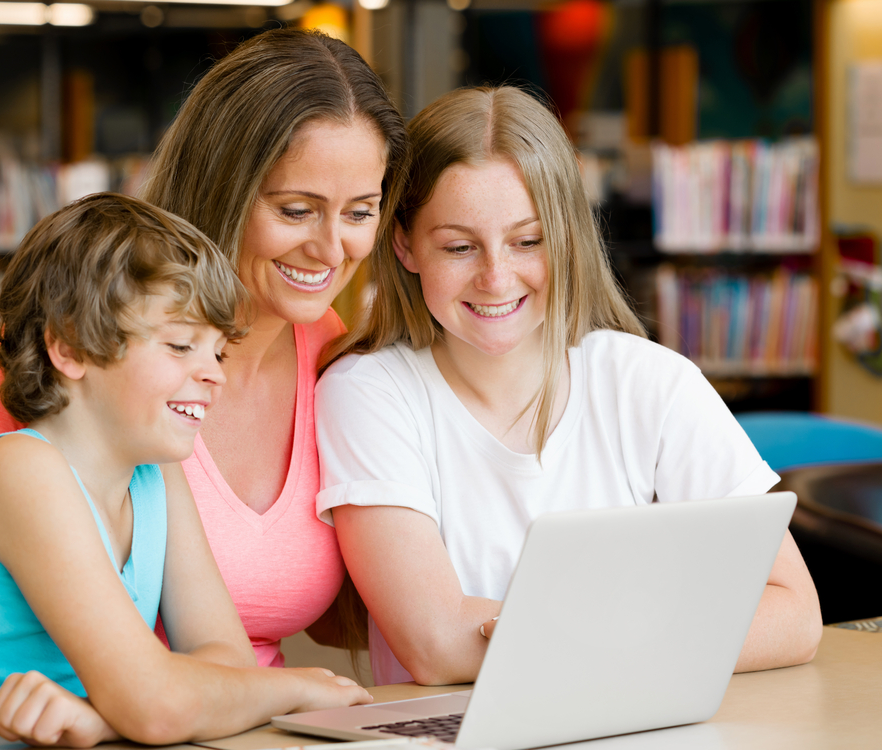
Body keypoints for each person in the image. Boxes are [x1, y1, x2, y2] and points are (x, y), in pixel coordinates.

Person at [0, 29, 407, 663]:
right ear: (225, 187)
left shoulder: (339, 364)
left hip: (242, 724)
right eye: (297, 210)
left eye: (360, 212)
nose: (332, 249)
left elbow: (338, 617)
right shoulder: (83, 340)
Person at [315, 86, 823, 687]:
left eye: (528, 241)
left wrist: (567, 639)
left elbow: (794, 613)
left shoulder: (650, 381)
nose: (497, 277)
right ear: (404, 244)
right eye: (458, 246)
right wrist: (666, 633)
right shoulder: (368, 393)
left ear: (568, 237)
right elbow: (436, 643)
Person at [0, 194, 371, 748]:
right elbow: (162, 705)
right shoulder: (16, 469)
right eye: (181, 345)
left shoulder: (155, 474)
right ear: (69, 347)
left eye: (217, 352)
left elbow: (227, 663)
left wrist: (102, 716)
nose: (213, 375)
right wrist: (296, 689)